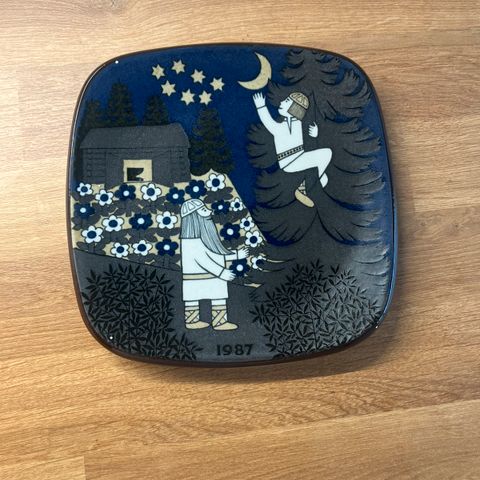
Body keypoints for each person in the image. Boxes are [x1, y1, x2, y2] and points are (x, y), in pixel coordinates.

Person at [253, 91, 332, 207]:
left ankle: (308, 189)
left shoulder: (296, 123)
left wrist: (315, 135)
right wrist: (261, 106)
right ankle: (304, 189)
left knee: (324, 176)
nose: (281, 102)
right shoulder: (280, 128)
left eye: (286, 101)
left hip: (298, 157)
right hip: (290, 161)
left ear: (294, 108)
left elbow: (306, 142)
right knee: (326, 155)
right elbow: (268, 122)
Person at [180, 198, 249, 331]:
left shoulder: (204, 238)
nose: (209, 211)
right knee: (195, 298)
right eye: (203, 210)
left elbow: (215, 254)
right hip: (198, 277)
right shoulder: (191, 241)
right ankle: (193, 321)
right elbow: (203, 260)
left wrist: (236, 255)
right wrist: (222, 273)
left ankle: (219, 322)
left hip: (211, 276)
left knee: (217, 296)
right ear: (194, 216)